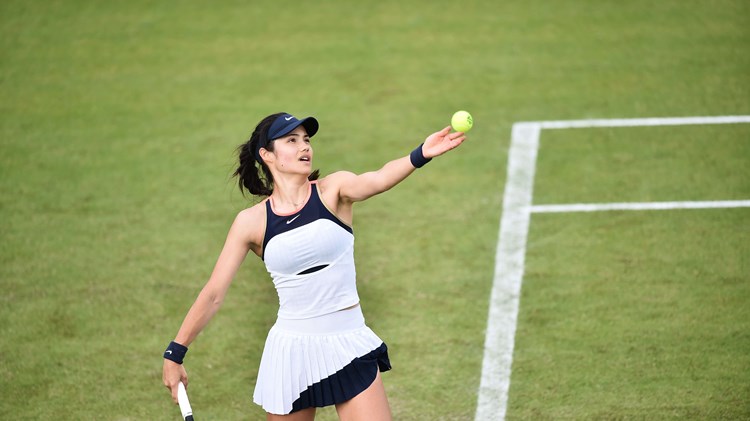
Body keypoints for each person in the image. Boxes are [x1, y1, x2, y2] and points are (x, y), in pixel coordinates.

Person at [162, 112, 467, 420]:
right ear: (266, 155)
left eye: (306, 140)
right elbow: (214, 292)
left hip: (348, 342)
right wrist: (175, 353)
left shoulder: (333, 191)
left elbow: (377, 179)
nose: (304, 147)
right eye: (291, 141)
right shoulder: (251, 223)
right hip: (292, 352)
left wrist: (421, 154)